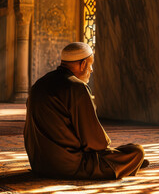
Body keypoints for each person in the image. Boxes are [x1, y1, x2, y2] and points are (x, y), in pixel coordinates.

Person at [24, 42, 148, 179]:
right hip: (69, 166)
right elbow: (97, 143)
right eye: (91, 64)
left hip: (39, 164)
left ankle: (125, 163)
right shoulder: (77, 87)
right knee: (137, 151)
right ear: (83, 64)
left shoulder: (39, 84)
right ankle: (126, 164)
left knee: (123, 152)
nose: (92, 70)